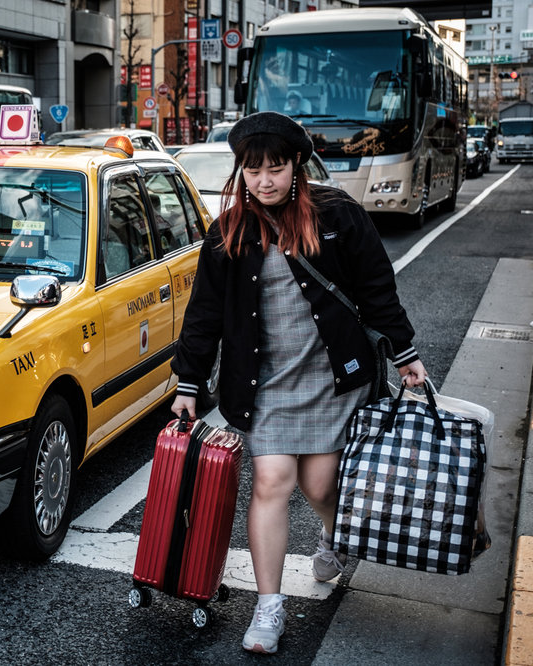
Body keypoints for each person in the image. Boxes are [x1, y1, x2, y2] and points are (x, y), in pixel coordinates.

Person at [169, 111, 427, 655]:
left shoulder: (338, 215)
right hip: (266, 383)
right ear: (241, 171)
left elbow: (376, 287)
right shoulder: (229, 230)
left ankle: (336, 536)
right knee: (272, 481)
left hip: (331, 377)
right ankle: (269, 606)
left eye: (276, 168)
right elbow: (204, 314)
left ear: (296, 167)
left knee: (319, 486)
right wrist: (189, 382)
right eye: (253, 170)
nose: (264, 181)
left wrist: (404, 353)